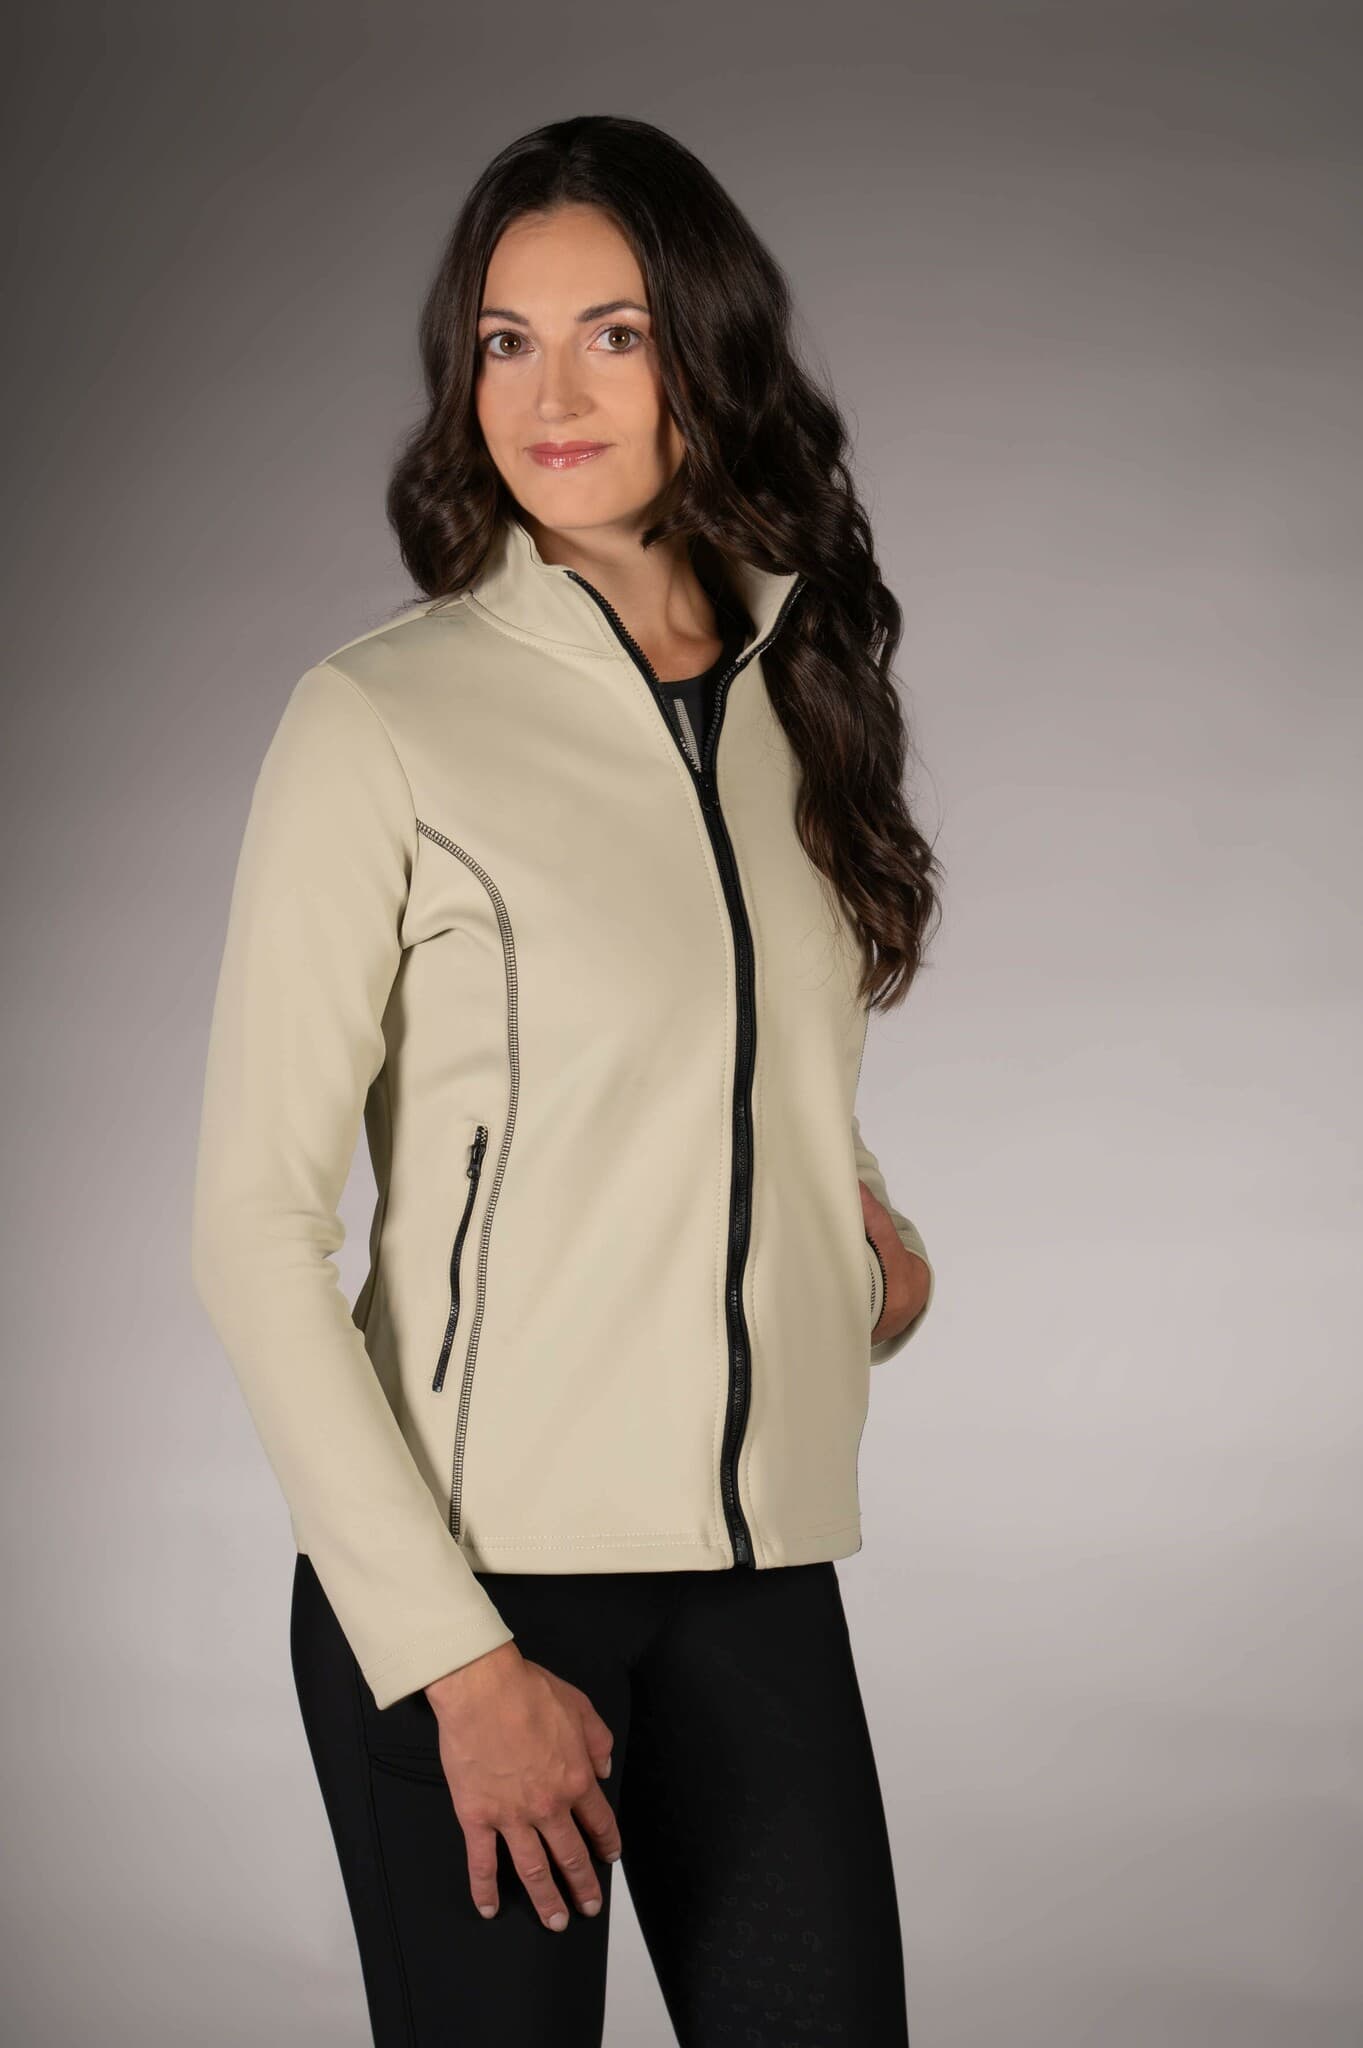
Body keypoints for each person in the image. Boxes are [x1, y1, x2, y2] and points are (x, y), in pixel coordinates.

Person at [191, 112, 942, 2048]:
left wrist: (862, 1237)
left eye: (614, 333)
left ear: (709, 351)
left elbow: (754, 1065)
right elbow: (255, 1231)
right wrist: (451, 1655)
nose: (550, 394)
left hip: (755, 1575)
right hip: (479, 1587)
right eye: (504, 342)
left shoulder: (799, 696)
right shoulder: (381, 716)